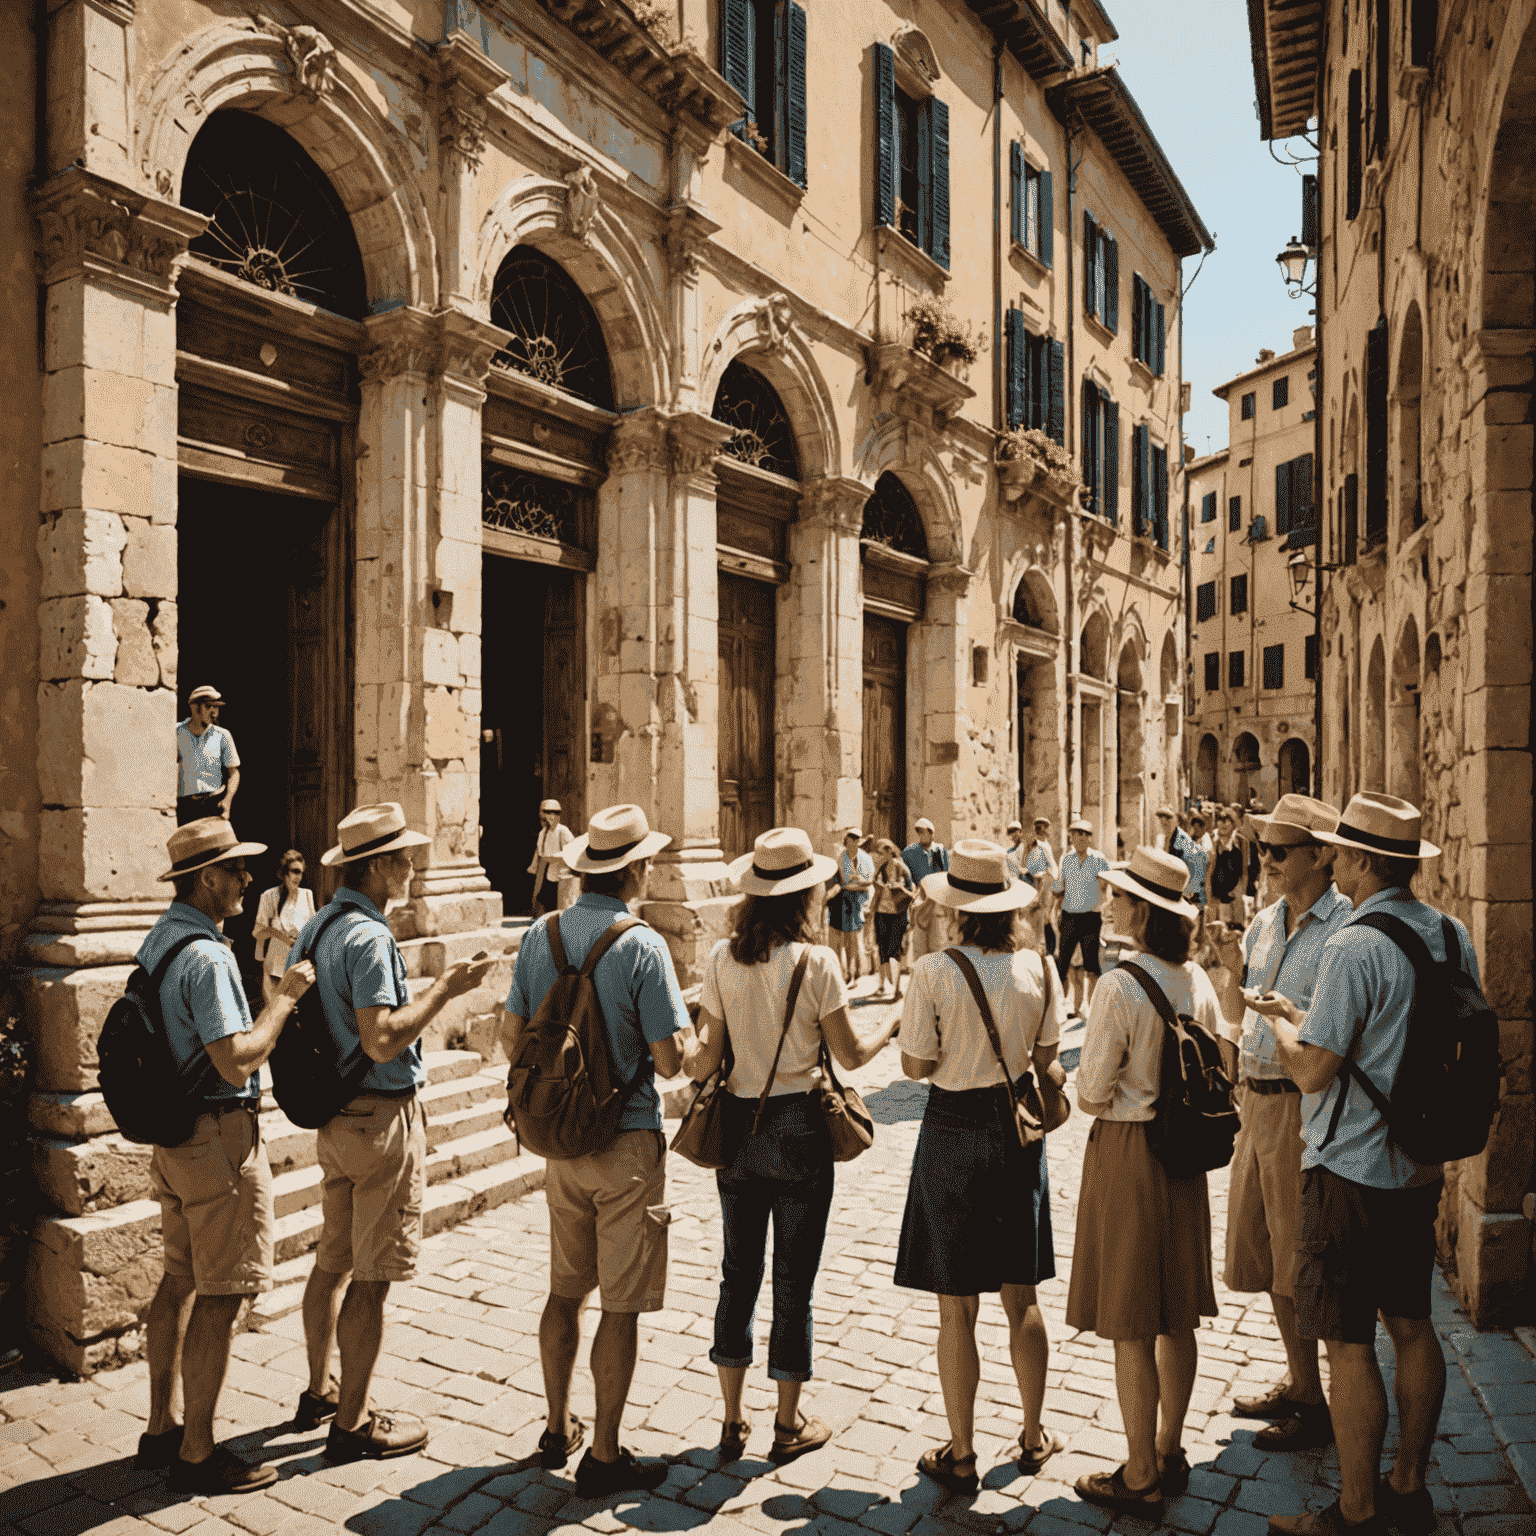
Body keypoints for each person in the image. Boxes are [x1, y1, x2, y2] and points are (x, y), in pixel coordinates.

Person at [1254, 794, 1469, 1536]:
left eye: (1343, 853)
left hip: (1349, 1166)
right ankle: (1408, 1486)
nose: (1336, 863)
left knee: (1348, 1343)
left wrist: (1284, 1023)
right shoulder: (1450, 934)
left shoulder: (1353, 946)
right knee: (1413, 1325)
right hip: (1418, 1163)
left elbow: (1313, 1071)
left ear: (1369, 861)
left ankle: (1356, 1511)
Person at [684, 828, 901, 1464]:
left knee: (737, 1272)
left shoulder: (723, 959)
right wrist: (890, 1023)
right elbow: (851, 1056)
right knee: (793, 1282)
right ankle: (787, 1420)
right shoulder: (819, 964)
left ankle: (730, 1418)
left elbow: (704, 1059)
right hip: (800, 1131)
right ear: (805, 895)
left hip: (739, 1129)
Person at [499, 804, 691, 1497]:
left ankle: (557, 1426)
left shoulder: (540, 934)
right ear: (635, 870)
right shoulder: (642, 945)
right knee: (620, 1304)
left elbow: (508, 1038)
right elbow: (670, 1061)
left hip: (559, 1140)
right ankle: (605, 1454)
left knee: (563, 1290)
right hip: (625, 1138)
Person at [297, 804, 497, 1464]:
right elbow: (382, 1038)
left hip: (333, 1115)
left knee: (331, 1260)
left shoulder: (316, 927)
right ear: (377, 865)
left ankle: (319, 1388)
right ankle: (351, 1424)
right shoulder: (369, 936)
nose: (413, 867)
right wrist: (446, 989)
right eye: (405, 857)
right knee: (373, 1277)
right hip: (380, 1118)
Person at [137, 819, 316, 1494]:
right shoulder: (208, 956)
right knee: (220, 1296)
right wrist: (284, 1002)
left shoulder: (161, 940)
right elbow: (236, 1055)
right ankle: (198, 1452)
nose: (248, 879)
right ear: (208, 879)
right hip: (215, 1138)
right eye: (237, 870)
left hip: (174, 1135)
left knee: (178, 1279)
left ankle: (161, 1427)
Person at [896, 841, 1063, 1494]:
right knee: (1020, 1293)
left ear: (958, 909)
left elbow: (913, 1066)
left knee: (956, 1306)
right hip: (1016, 1128)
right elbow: (1048, 1054)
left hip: (951, 1127)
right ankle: (1030, 1434)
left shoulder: (935, 971)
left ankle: (960, 1452)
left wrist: (951, 1050)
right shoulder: (1039, 969)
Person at [1067, 846, 1220, 1520]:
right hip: (1185, 1159)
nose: (1108, 903)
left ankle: (1139, 1473)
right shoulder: (1201, 983)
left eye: (1120, 896)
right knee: (1176, 1312)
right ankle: (1170, 1445)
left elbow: (1093, 1093)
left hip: (1130, 1152)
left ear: (1145, 912)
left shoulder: (1120, 985)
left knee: (1133, 1320)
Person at [1208, 795, 1354, 1456]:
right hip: (1257, 1102)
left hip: (1307, 1110)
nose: (1264, 859)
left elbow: (1333, 1036)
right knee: (1266, 1251)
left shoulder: (1345, 930)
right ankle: (1301, 1384)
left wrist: (1284, 1017)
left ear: (1321, 855)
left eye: (1279, 849)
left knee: (1304, 1260)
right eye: (1262, 847)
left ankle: (1321, 1401)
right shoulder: (1263, 922)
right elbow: (1242, 1003)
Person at [1052, 818, 1111, 1017]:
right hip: (1069, 917)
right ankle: (1067, 1008)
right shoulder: (1066, 859)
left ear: (1089, 838)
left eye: (1084, 834)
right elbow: (1060, 886)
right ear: (1071, 837)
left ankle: (1091, 1008)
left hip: (1090, 918)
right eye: (1076, 834)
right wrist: (1053, 889)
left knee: (1091, 965)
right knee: (1064, 964)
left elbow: (1106, 887)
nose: (1079, 838)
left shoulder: (1099, 859)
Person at [253, 850, 316, 1007]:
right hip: (275, 966)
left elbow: (313, 929)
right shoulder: (269, 896)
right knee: (276, 1012)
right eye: (295, 871)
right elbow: (258, 932)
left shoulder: (307, 895)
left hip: (300, 965)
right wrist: (282, 937)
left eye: (301, 872)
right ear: (284, 873)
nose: (299, 877)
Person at [176, 686, 240, 825]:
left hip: (213, 803)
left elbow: (234, 772)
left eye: (216, 707)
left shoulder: (223, 735)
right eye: (208, 706)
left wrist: (227, 800)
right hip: (185, 806)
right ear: (194, 707)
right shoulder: (176, 732)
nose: (214, 712)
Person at [869, 838, 916, 999]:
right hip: (882, 913)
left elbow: (911, 894)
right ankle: (882, 986)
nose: (880, 856)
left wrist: (899, 887)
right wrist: (872, 908)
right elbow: (876, 888)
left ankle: (897, 989)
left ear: (890, 851)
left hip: (898, 915)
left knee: (894, 950)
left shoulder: (902, 868)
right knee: (882, 949)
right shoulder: (881, 869)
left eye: (882, 852)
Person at [901, 819, 950, 962]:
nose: (921, 835)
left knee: (938, 941)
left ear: (931, 833)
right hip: (920, 901)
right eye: (919, 832)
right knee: (919, 941)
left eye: (924, 831)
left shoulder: (940, 850)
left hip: (937, 900)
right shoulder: (909, 852)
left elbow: (946, 875)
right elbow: (907, 878)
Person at [830, 828, 874, 983]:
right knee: (847, 937)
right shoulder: (841, 858)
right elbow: (842, 881)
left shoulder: (866, 858)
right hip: (845, 899)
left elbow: (869, 882)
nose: (850, 845)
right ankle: (849, 972)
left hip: (861, 899)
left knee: (855, 937)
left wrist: (859, 881)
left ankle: (855, 970)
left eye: (853, 842)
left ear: (857, 842)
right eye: (848, 842)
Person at [528, 798, 574, 916]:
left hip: (561, 876)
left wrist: (555, 858)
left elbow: (573, 852)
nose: (552, 816)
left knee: (560, 906)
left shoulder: (563, 831)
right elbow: (539, 851)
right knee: (544, 901)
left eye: (556, 812)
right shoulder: (543, 833)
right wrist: (534, 865)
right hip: (547, 874)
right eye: (548, 812)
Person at [1025, 817, 1059, 957]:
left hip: (1048, 883)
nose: (1043, 829)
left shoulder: (1046, 845)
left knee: (1047, 917)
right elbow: (1033, 869)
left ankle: (1049, 949)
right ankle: (1044, 949)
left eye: (1045, 826)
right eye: (1040, 826)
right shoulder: (1036, 845)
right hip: (1042, 882)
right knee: (1041, 917)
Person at [1208, 808, 1248, 926]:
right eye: (1220, 819)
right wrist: (1209, 895)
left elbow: (1244, 869)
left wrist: (1243, 893)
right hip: (1217, 892)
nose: (1223, 823)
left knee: (1237, 927)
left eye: (1227, 820)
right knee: (1220, 927)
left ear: (1233, 822)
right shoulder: (1213, 840)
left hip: (1236, 890)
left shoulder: (1241, 841)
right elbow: (1209, 871)